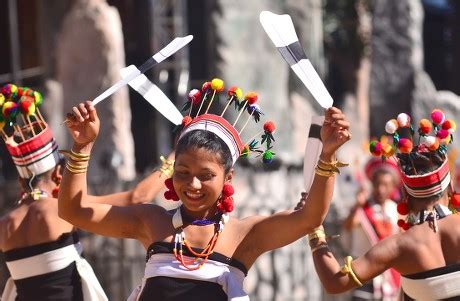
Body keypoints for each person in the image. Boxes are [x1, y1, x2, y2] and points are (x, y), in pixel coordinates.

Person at [58, 79, 351, 301]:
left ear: (228, 177)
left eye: (206, 175)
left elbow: (310, 217)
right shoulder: (152, 222)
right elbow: (72, 211)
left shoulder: (243, 236)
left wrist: (327, 156)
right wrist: (82, 146)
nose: (192, 184)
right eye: (183, 173)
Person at [0, 84, 173, 301]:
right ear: (57, 175)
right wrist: (175, 158)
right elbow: (137, 197)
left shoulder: (5, 225)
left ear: (20, 179)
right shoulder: (61, 209)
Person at [304, 111, 460, 300]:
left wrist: (313, 228)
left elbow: (335, 282)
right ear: (450, 188)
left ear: (405, 197)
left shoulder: (398, 246)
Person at [342, 157, 401, 300]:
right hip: (364, 276)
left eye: (386, 185)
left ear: (393, 186)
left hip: (388, 278)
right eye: (378, 184)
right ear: (372, 184)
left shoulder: (396, 210)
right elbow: (349, 225)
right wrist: (357, 205)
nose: (381, 189)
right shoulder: (362, 209)